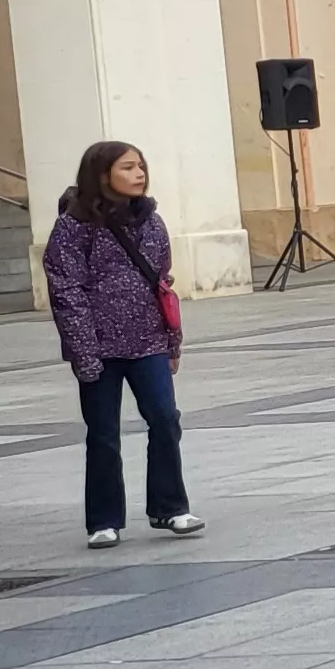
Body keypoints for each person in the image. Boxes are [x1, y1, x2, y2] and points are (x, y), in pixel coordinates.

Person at [46, 140, 199, 549]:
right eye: (128, 167)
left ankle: (169, 507)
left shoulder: (151, 220)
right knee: (103, 433)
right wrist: (84, 350)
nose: (139, 174)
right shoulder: (73, 226)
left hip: (147, 340)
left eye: (141, 166)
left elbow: (162, 280)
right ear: (102, 175)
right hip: (98, 346)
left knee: (165, 419)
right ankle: (104, 520)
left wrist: (171, 341)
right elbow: (66, 289)